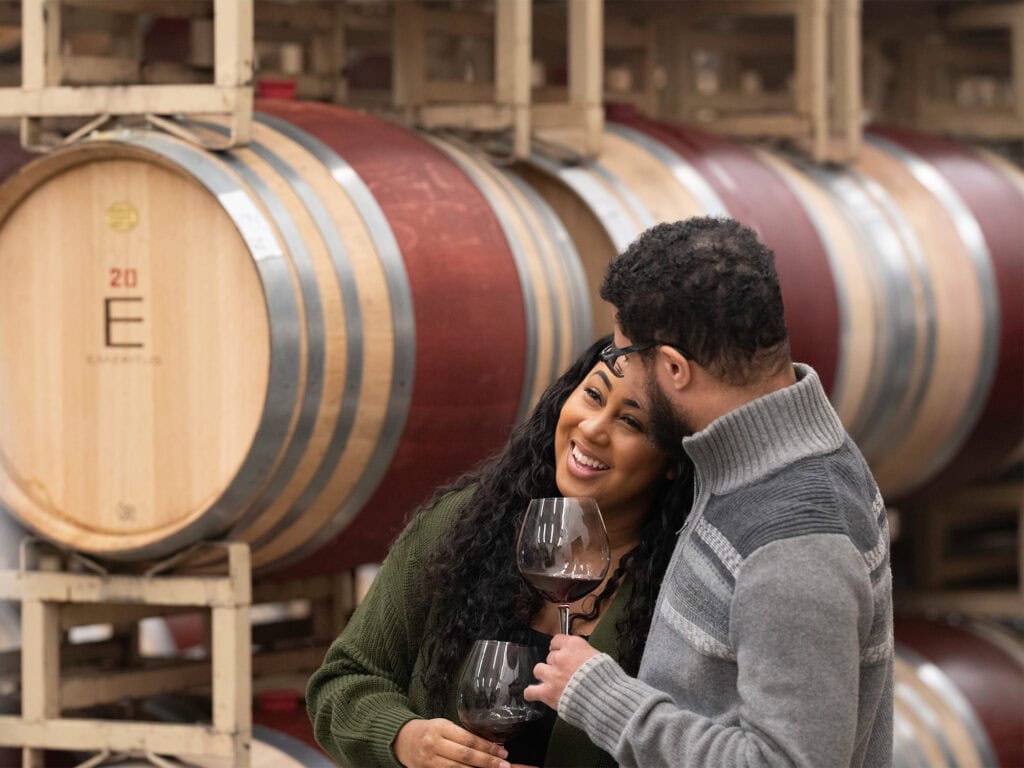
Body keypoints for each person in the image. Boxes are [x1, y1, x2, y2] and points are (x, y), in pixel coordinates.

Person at [525, 217, 894, 767]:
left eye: (625, 358)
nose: (618, 370)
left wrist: (602, 697)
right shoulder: (751, 460)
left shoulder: (796, 544)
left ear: (674, 368)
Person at [306, 334, 694, 768]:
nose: (592, 428)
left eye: (631, 423)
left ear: (674, 461)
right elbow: (342, 680)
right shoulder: (465, 523)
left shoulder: (682, 588)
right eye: (592, 395)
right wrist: (406, 739)